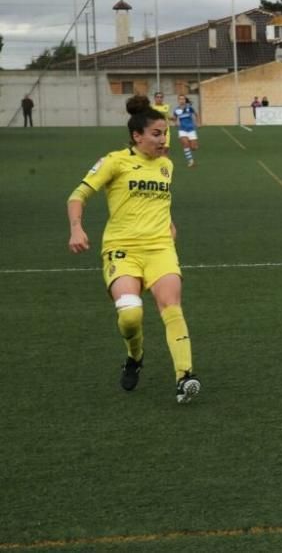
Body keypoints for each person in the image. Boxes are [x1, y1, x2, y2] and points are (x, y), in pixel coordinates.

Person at [66, 95, 201, 404]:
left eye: (165, 133)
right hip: (122, 249)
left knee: (171, 307)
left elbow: (158, 201)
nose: (163, 139)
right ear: (136, 136)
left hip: (160, 249)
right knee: (130, 315)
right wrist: (76, 226)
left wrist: (170, 223)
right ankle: (135, 355)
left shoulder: (166, 165)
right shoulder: (114, 161)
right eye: (156, 133)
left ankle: (185, 376)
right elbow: (78, 194)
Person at [173, 94, 200, 167]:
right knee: (185, 144)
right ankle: (191, 161)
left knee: (194, 147)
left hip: (191, 129)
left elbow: (196, 114)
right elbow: (174, 118)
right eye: (180, 99)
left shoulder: (190, 108)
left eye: (183, 99)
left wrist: (197, 123)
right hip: (182, 129)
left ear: (185, 100)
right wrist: (176, 123)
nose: (182, 100)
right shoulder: (176, 110)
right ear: (178, 101)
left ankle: (193, 146)